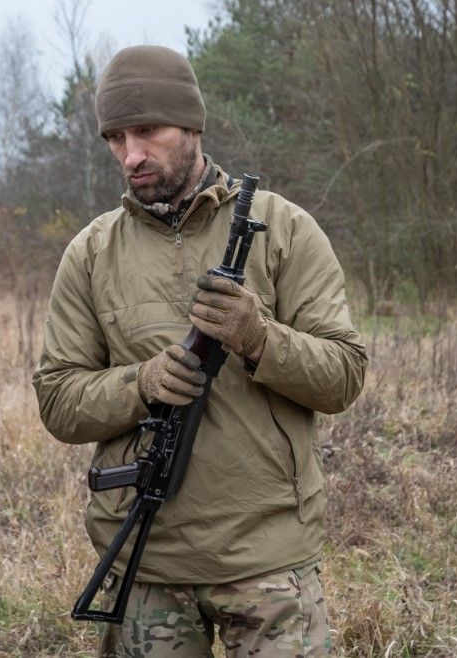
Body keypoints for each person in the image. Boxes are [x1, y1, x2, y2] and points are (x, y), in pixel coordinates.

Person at [33, 45, 367, 657]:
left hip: (268, 563)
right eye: (115, 137)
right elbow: (57, 400)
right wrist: (141, 383)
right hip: (144, 564)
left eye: (147, 131)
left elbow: (344, 375)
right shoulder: (91, 253)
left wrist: (259, 340)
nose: (130, 154)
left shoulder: (284, 229)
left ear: (192, 126)